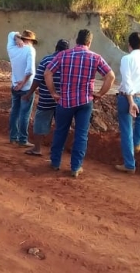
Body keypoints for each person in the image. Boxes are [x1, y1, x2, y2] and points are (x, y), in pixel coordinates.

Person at [45, 29, 115, 178]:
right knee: (81, 135)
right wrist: (100, 94)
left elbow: (47, 73)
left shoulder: (63, 55)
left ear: (77, 40)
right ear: (89, 42)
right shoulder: (95, 58)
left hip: (65, 101)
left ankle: (55, 162)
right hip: (85, 101)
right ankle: (75, 167)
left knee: (60, 131)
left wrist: (53, 92)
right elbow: (110, 76)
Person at [23, 39, 69, 156]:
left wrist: (29, 93)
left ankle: (37, 149)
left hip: (46, 99)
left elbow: (38, 79)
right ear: (67, 50)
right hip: (62, 100)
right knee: (61, 125)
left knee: (40, 122)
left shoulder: (46, 60)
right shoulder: (69, 61)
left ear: (56, 47)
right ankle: (57, 150)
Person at [115, 32, 140, 173]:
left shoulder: (127, 59)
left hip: (127, 99)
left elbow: (127, 81)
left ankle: (129, 165)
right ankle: (137, 143)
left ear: (129, 44)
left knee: (126, 131)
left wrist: (131, 101)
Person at [6, 30, 38, 147]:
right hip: (26, 87)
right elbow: (30, 71)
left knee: (14, 112)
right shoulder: (30, 50)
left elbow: (10, 34)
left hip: (14, 86)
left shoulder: (12, 49)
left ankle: (13, 137)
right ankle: (22, 139)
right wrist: (23, 83)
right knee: (24, 114)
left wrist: (16, 37)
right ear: (29, 40)